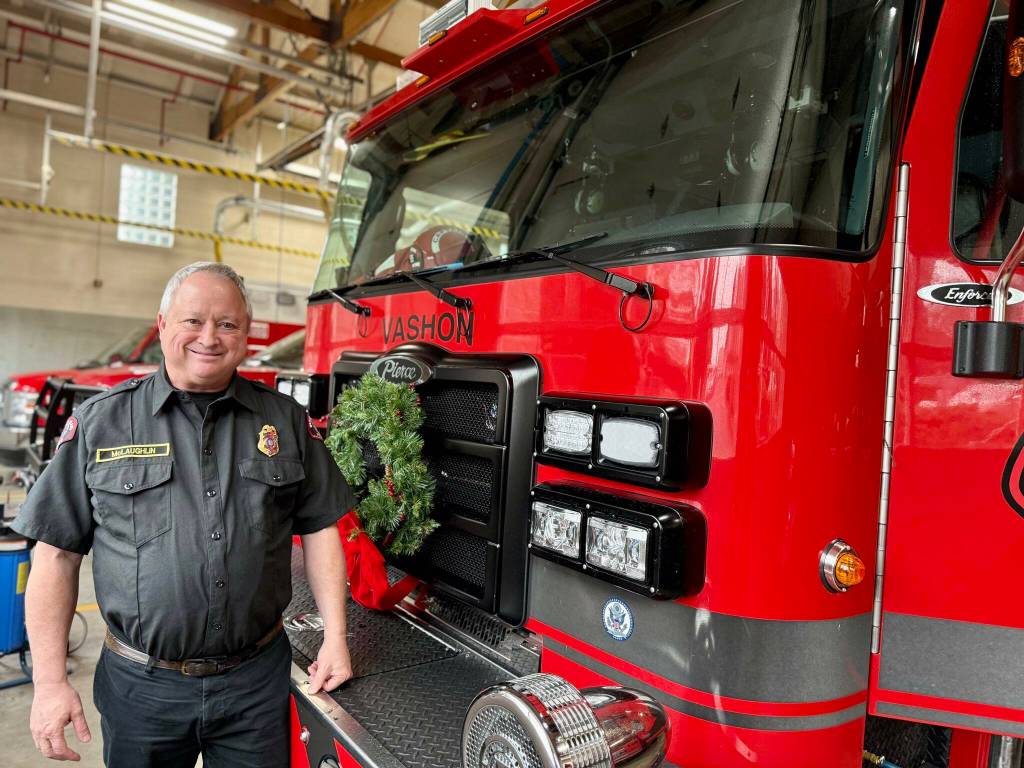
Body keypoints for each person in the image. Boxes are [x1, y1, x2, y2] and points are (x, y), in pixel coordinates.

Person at [12, 262, 354, 766]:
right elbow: (55, 557)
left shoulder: (284, 421)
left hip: (255, 686)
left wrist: (336, 639)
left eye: (227, 324)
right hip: (141, 689)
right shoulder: (100, 423)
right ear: (164, 324)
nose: (209, 337)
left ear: (245, 333)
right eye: (193, 321)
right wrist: (47, 683)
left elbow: (322, 529)